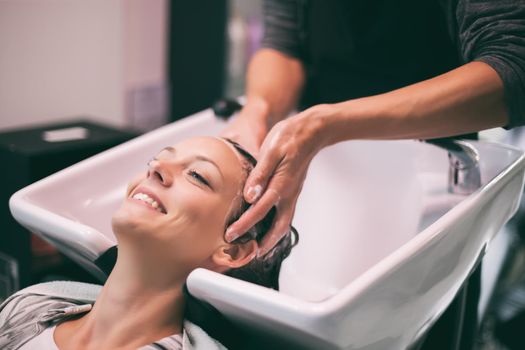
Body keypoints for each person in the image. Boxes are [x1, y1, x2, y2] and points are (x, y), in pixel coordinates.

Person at [222, 0, 525, 256]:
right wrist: (257, 109)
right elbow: (285, 42)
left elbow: (513, 69)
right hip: (326, 175)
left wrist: (327, 125)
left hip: (429, 185)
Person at [0, 136, 296, 350]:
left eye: (197, 175)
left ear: (231, 250)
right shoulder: (29, 306)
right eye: (155, 161)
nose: (155, 170)